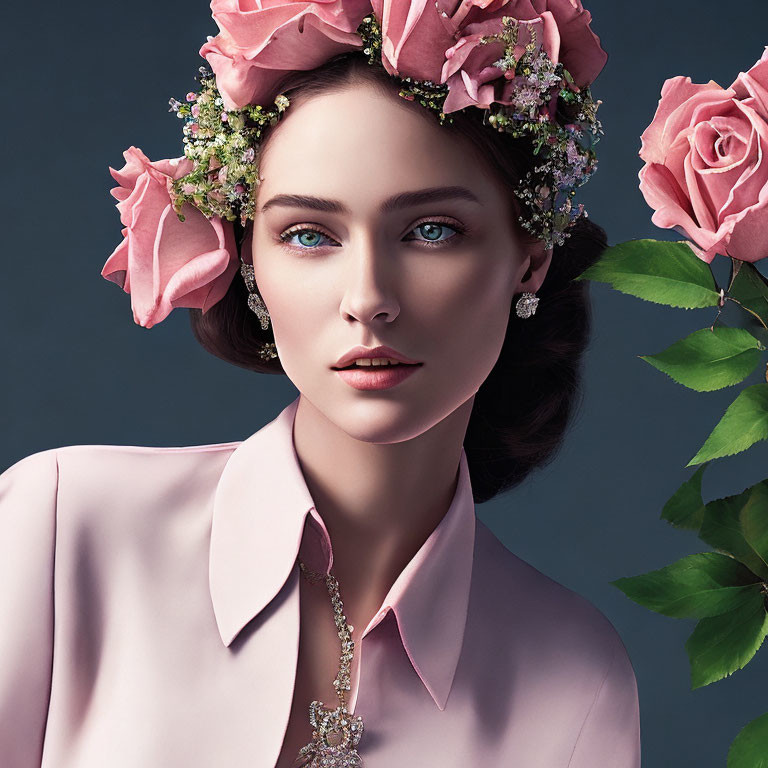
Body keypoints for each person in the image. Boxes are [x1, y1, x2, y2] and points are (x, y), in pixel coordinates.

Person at [0, 2, 640, 767]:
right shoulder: (63, 527)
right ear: (247, 261)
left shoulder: (576, 681)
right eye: (309, 235)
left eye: (432, 230)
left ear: (528, 259)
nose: (367, 296)